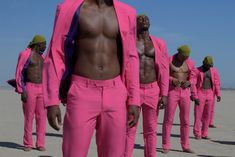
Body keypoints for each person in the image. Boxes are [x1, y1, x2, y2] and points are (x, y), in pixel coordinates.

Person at [43, 0, 140, 157]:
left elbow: (131, 57)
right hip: (82, 91)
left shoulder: (127, 12)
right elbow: (55, 52)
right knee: (73, 153)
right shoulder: (68, 8)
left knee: (114, 153)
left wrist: (134, 99)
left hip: (115, 91)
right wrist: (51, 101)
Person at [125, 14, 169, 157]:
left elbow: (164, 69)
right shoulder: (128, 41)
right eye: (140, 19)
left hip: (152, 89)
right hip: (133, 90)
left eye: (147, 19)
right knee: (130, 128)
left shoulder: (159, 43)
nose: (144, 20)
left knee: (151, 130)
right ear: (135, 24)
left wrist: (164, 93)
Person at [15, 35, 47, 151]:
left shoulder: (42, 57)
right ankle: (28, 143)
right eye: (44, 44)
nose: (45, 46)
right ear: (38, 44)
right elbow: (19, 72)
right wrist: (22, 90)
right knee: (29, 117)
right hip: (30, 88)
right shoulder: (25, 54)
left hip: (42, 89)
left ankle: (40, 143)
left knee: (42, 117)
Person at [162, 45, 195, 153]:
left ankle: (185, 146)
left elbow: (194, 76)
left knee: (185, 120)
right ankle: (166, 145)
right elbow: (163, 74)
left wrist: (190, 82)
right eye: (184, 56)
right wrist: (171, 79)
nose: (186, 58)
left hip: (185, 92)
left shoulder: (190, 62)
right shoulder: (169, 60)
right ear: (179, 53)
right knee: (168, 119)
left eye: (187, 56)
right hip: (172, 91)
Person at [191, 56, 221, 140]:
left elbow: (217, 83)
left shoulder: (214, 71)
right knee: (198, 114)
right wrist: (195, 96)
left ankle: (204, 133)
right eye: (207, 65)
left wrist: (218, 94)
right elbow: (193, 84)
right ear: (203, 63)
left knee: (207, 115)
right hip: (200, 92)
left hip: (210, 93)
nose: (209, 67)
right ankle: (197, 133)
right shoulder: (196, 70)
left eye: (210, 65)